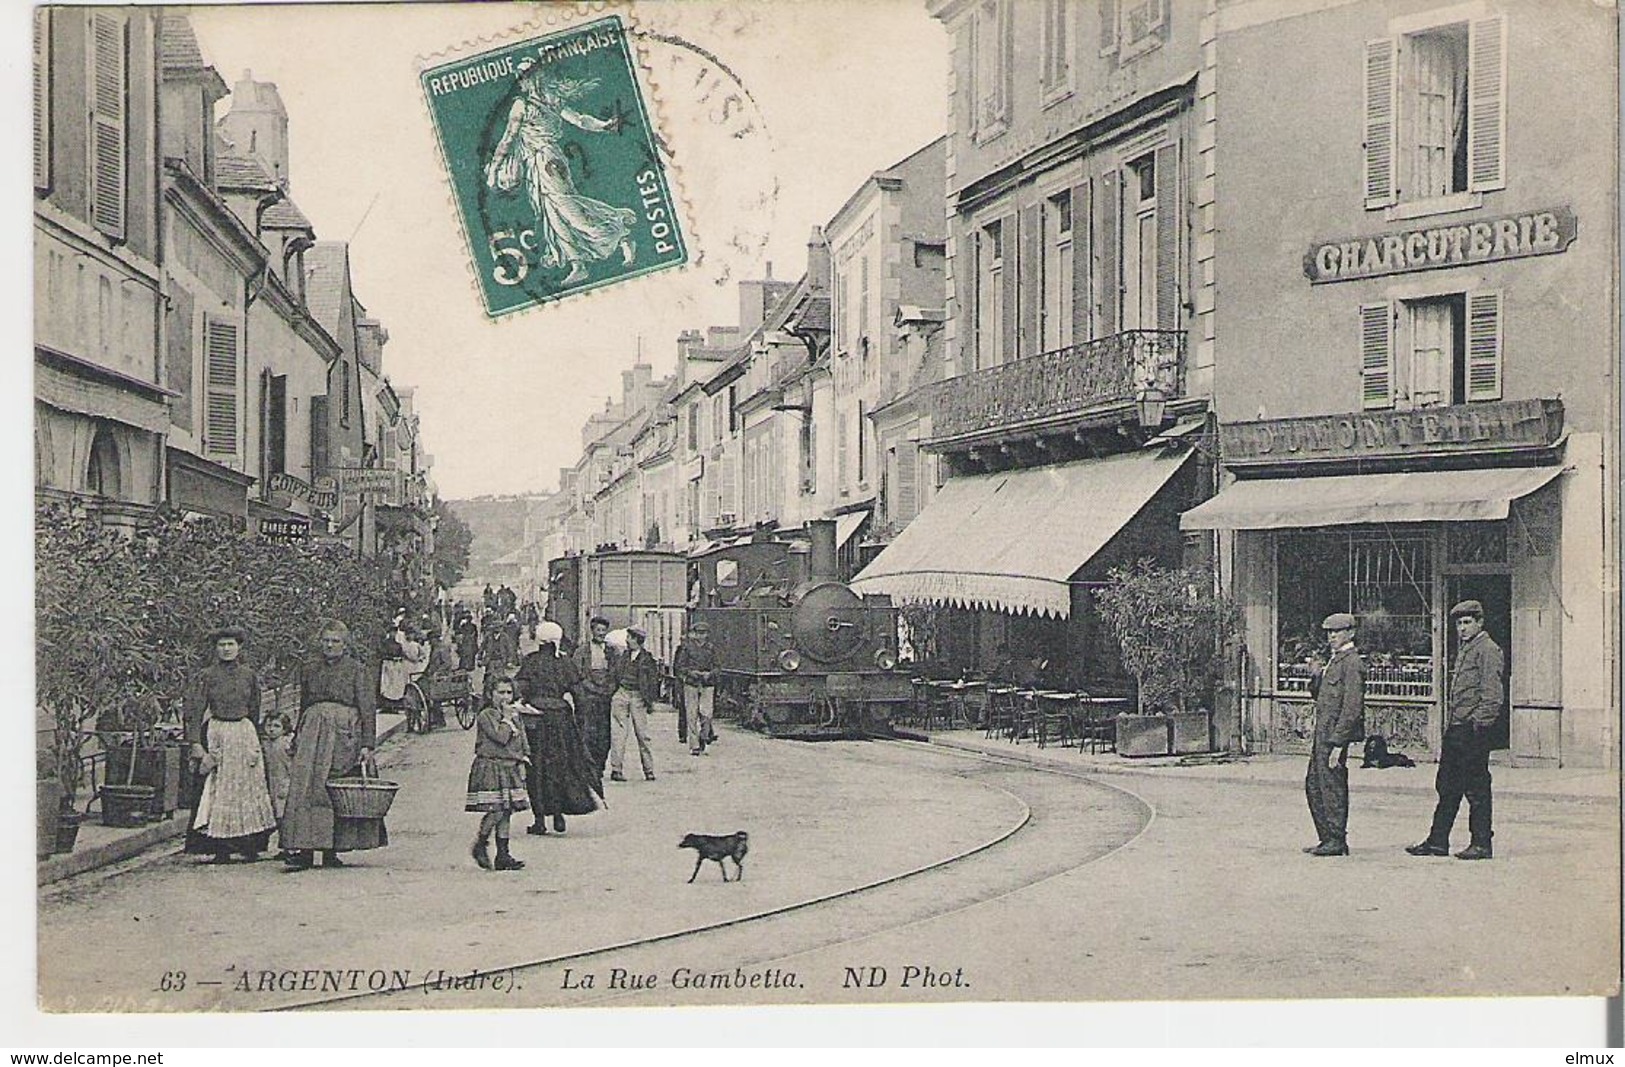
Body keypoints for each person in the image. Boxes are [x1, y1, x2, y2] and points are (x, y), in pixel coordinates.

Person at [484, 56, 638, 286]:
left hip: (545, 161)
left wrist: (494, 169)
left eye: (524, 76)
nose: (522, 81)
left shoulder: (523, 105)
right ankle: (578, 264)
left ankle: (619, 233)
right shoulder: (551, 99)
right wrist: (603, 125)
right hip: (546, 161)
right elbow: (581, 120)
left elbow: (508, 139)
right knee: (553, 212)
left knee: (568, 208)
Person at [1408, 600, 1505, 860]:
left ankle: (1481, 843)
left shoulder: (1487, 649)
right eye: (1458, 623)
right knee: (1447, 785)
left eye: (1467, 622)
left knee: (1476, 788)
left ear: (1479, 622)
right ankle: (1438, 840)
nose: (1461, 628)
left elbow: (1492, 696)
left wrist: (1478, 726)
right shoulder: (1467, 649)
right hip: (1457, 728)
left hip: (1472, 731)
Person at [283, 619, 383, 871]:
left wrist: (367, 744)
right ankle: (304, 848)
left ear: (345, 644)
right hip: (311, 733)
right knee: (306, 787)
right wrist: (297, 735)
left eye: (335, 641)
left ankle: (332, 850)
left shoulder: (357, 670)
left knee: (336, 788)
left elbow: (367, 708)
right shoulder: (310, 669)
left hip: (343, 736)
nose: (330, 645)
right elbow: (305, 704)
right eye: (326, 640)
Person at [182, 627, 277, 864]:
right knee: (218, 788)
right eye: (222, 645)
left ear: (239, 647)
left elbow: (254, 708)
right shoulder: (207, 675)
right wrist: (195, 743)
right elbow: (194, 711)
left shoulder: (248, 675)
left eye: (231, 645)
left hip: (243, 733)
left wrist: (254, 738)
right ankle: (220, 848)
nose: (226, 649)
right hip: (218, 732)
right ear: (216, 649)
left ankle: (249, 845)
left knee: (247, 788)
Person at [514, 622, 603, 834]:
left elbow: (520, 690)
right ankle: (558, 814)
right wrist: (580, 722)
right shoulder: (565, 662)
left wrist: (525, 703)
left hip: (536, 722)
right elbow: (579, 694)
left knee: (536, 769)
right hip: (562, 721)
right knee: (561, 766)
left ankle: (539, 821)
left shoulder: (531, 661)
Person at [1303, 613, 1365, 857]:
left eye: (1336, 632)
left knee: (1332, 786)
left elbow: (1352, 707)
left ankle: (1337, 839)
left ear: (1350, 633)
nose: (1331, 637)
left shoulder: (1352, 663)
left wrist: (1339, 743)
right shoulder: (1336, 660)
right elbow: (1320, 696)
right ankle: (1326, 837)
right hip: (1323, 733)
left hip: (1333, 736)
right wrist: (1316, 675)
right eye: (1329, 633)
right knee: (1315, 784)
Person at [465, 678, 530, 871]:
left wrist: (524, 758)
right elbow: (500, 738)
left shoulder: (515, 716)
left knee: (507, 810)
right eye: (500, 692)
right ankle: (481, 843)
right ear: (490, 694)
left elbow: (523, 739)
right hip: (491, 766)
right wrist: (507, 720)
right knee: (497, 809)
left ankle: (503, 854)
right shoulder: (487, 715)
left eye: (509, 693)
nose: (505, 697)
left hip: (509, 766)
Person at [609, 627, 660, 783]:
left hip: (638, 696)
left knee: (642, 734)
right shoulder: (624, 656)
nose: (627, 640)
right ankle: (616, 769)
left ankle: (649, 769)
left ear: (637, 640)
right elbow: (614, 674)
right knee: (618, 734)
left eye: (630, 637)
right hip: (622, 693)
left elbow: (652, 681)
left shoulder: (647, 659)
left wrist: (650, 700)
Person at [572, 615, 616, 781]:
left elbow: (615, 672)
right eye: (598, 630)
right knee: (587, 733)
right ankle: (587, 767)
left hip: (605, 697)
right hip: (588, 697)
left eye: (604, 631)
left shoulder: (611, 651)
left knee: (604, 735)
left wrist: (608, 689)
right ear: (592, 631)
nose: (601, 633)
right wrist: (591, 688)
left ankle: (600, 766)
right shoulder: (582, 651)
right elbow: (577, 674)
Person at [673, 621, 718, 756]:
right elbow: (680, 666)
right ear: (694, 634)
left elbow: (718, 666)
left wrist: (710, 674)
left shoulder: (711, 649)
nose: (701, 636)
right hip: (691, 683)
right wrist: (691, 673)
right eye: (698, 633)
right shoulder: (687, 648)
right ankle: (694, 745)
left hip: (707, 684)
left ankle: (703, 736)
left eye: (703, 633)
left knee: (707, 714)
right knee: (691, 714)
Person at [261, 712, 294, 859]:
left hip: (284, 783)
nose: (272, 729)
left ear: (285, 728)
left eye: (276, 726)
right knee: (276, 816)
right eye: (269, 726)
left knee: (284, 817)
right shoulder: (266, 744)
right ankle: (284, 847)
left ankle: (290, 848)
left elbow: (291, 765)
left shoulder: (286, 743)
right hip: (272, 783)